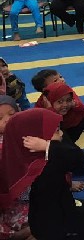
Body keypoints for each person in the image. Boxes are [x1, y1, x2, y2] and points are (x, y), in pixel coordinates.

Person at [0, 109, 84, 239]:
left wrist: (48, 147)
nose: (61, 134)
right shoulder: (41, 167)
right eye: (56, 131)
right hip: (54, 222)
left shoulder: (30, 159)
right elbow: (74, 157)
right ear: (35, 138)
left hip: (50, 212)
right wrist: (48, 146)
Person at [0, 96, 31, 240]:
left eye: (11, 114)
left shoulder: (24, 134)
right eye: (0, 118)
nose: (7, 120)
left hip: (23, 190)